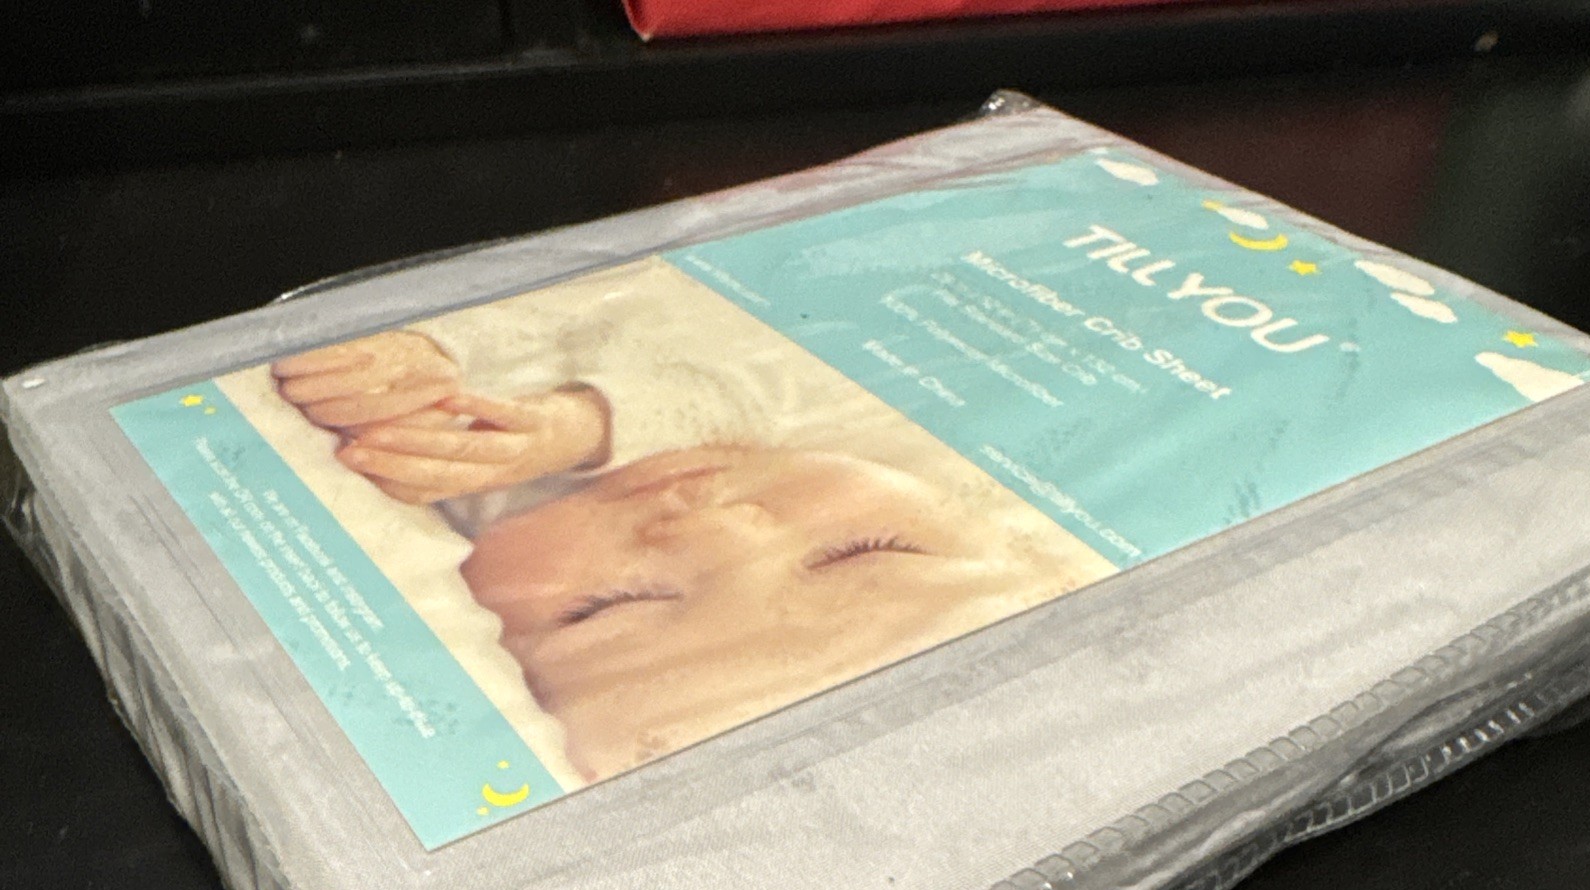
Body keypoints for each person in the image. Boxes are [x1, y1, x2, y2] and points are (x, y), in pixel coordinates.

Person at [272, 322, 1097, 782]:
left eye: (611, 610)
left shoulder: (440, 555)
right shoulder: (843, 423)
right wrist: (580, 423)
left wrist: (389, 397)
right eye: (864, 552)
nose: (715, 527)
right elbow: (737, 384)